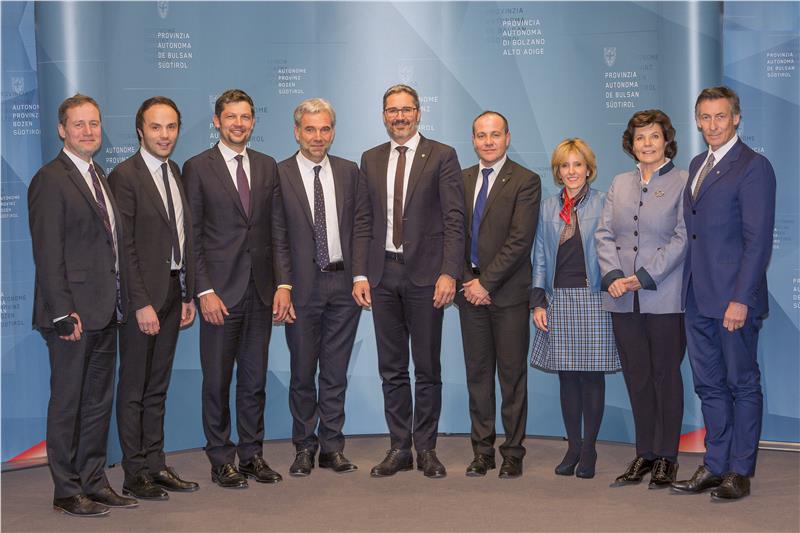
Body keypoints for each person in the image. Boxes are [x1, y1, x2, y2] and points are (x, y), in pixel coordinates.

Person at [28, 93, 136, 516]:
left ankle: (94, 480)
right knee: (68, 403)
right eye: (79, 124)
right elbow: (47, 251)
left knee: (96, 404)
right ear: (62, 130)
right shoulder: (50, 179)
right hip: (70, 316)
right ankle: (66, 490)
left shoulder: (99, 175)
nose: (88, 131)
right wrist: (60, 312)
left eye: (94, 123)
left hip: (105, 311)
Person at [352, 84, 465, 478]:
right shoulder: (370, 158)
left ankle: (427, 449)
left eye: (405, 109)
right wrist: (360, 273)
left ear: (418, 112)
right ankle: (399, 447)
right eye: (392, 110)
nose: (399, 117)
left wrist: (449, 272)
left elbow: (454, 219)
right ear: (384, 115)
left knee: (427, 368)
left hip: (427, 277)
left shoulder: (442, 155)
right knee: (392, 368)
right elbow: (363, 220)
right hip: (382, 276)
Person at [183, 89, 293, 489]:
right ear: (217, 121)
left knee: (254, 381)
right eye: (231, 117)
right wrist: (204, 290)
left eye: (245, 117)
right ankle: (220, 459)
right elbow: (192, 236)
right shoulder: (197, 167)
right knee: (216, 382)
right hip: (219, 296)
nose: (239, 124)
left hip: (260, 293)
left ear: (253, 122)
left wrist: (283, 284)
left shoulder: (266, 166)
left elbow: (277, 230)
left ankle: (251, 456)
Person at [671, 86, 776, 501]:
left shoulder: (753, 166)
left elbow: (757, 241)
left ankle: (739, 471)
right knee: (709, 385)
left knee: (742, 384)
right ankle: (715, 465)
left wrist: (741, 299)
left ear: (736, 118)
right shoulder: (698, 163)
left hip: (733, 300)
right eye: (705, 117)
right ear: (697, 121)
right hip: (697, 296)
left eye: (720, 116)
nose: (712, 125)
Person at [109, 96, 199, 500]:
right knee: (134, 388)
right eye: (156, 127)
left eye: (171, 127)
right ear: (140, 130)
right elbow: (124, 247)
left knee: (157, 386)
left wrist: (186, 293)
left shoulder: (174, 171)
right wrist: (140, 302)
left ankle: (156, 464)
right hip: (142, 301)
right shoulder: (124, 176)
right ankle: (135, 472)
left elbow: (181, 238)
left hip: (173, 293)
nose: (165, 135)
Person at [595, 110, 689, 489]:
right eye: (639, 137)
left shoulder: (683, 181)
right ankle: (644, 453)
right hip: (622, 298)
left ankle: (667, 457)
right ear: (630, 144)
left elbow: (683, 237)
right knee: (636, 377)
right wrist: (614, 276)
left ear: (667, 140)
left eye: (654, 136)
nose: (647, 144)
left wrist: (646, 276)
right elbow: (603, 234)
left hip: (664, 296)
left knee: (666, 376)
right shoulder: (619, 183)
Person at [277, 98, 362, 476]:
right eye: (310, 129)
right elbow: (277, 236)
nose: (317, 136)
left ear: (333, 132)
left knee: (335, 372)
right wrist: (283, 284)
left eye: (324, 129)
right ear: (297, 132)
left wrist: (360, 276)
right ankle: (303, 446)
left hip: (343, 286)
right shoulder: (279, 174)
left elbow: (361, 227)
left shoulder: (349, 171)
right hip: (301, 289)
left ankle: (332, 447)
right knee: (301, 373)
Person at [456, 111, 540, 478]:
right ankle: (482, 451)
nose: (488, 141)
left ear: (507, 137)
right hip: (468, 294)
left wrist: (485, 284)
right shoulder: (459, 180)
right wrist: (467, 282)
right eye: (481, 135)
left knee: (511, 377)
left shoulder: (526, 181)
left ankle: (513, 452)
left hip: (506, 295)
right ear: (473, 140)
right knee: (477, 377)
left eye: (494, 134)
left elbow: (520, 241)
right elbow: (451, 236)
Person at [530, 138, 620, 480]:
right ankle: (573, 447)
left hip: (594, 298)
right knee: (567, 377)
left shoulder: (604, 202)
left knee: (592, 377)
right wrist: (538, 301)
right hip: (559, 299)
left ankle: (590, 449)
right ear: (557, 171)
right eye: (565, 165)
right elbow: (540, 255)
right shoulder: (547, 207)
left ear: (588, 169)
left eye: (577, 164)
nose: (571, 172)